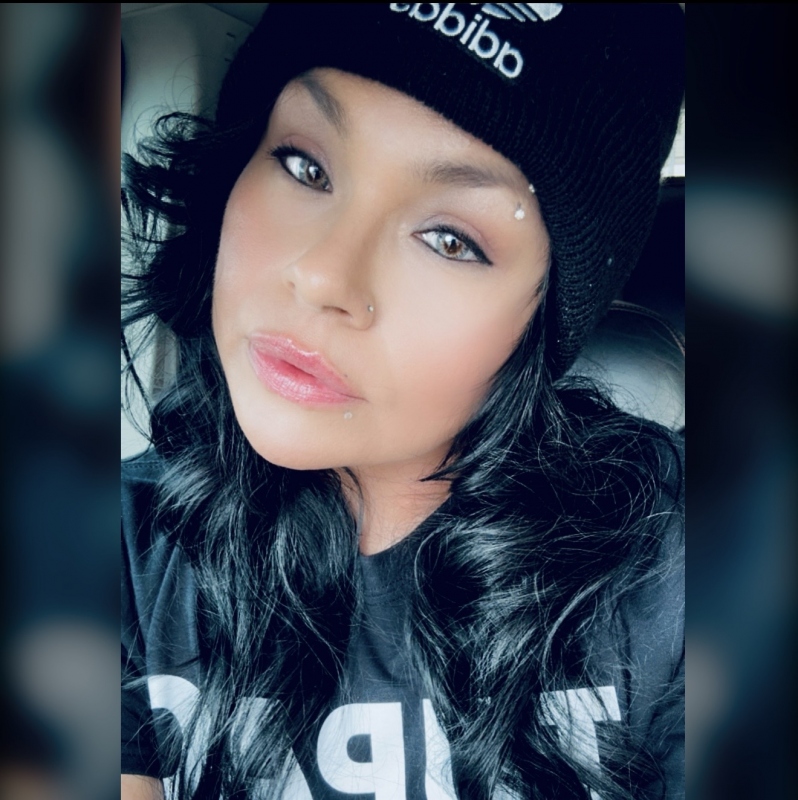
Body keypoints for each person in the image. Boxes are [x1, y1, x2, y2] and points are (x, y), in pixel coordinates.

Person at [121, 4, 685, 799]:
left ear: (544, 313)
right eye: (304, 166)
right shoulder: (111, 542)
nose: (322, 274)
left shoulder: (679, 558)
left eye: (451, 240)